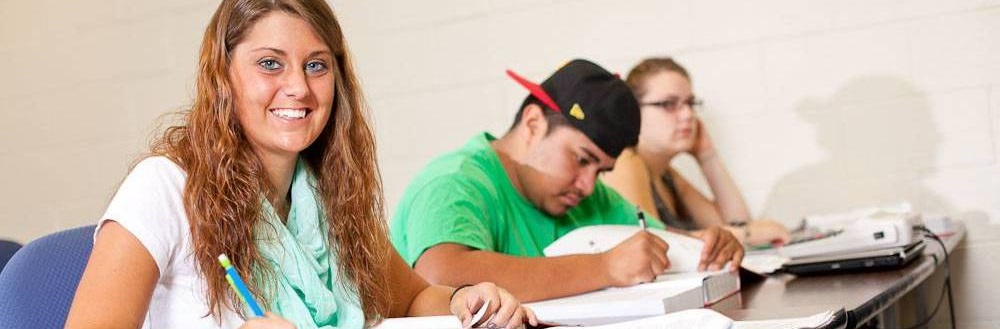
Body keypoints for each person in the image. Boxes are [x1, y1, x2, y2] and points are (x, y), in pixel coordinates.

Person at [64, 1, 535, 328]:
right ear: (223, 78)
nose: (299, 88)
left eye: (316, 65)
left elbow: (412, 297)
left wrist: (463, 299)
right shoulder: (163, 187)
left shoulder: (329, 192)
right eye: (270, 64)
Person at [389, 59, 744, 303]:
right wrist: (604, 267)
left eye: (601, 170)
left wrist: (707, 243)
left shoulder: (590, 197)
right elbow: (440, 274)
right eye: (581, 159)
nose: (588, 185)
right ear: (533, 124)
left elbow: (660, 244)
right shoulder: (454, 182)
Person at [602, 57, 790, 247]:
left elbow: (736, 223)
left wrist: (708, 156)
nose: (687, 115)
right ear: (632, 111)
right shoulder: (625, 161)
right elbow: (650, 244)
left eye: (690, 103)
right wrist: (744, 233)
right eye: (669, 104)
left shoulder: (666, 174)